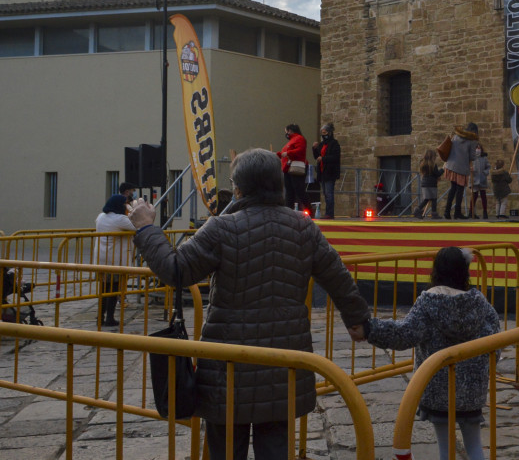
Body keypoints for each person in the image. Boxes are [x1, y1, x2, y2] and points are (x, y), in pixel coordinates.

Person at [129, 148, 370, 460]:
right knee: (275, 447)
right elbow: (338, 277)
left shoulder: (222, 228)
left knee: (226, 449)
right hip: (284, 364)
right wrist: (357, 319)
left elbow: (176, 269)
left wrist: (147, 227)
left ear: (239, 188)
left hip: (227, 367)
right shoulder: (304, 228)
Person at [360, 247, 499, 460]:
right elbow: (495, 344)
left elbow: (404, 334)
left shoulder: (428, 302)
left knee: (446, 450)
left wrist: (371, 329)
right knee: (474, 447)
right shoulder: (481, 303)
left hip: (438, 391)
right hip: (472, 391)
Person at [95, 194, 136, 327]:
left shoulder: (101, 217)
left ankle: (100, 317)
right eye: (125, 204)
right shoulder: (120, 219)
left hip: (102, 259)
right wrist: (132, 209)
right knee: (113, 290)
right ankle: (110, 318)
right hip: (114, 260)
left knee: (104, 290)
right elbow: (137, 225)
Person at [443, 123, 479, 220]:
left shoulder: (456, 136)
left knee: (453, 189)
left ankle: (447, 212)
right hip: (461, 167)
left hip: (451, 165)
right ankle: (457, 213)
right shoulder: (472, 140)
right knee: (459, 190)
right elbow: (472, 157)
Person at [313, 123, 341, 219]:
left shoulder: (334, 144)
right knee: (325, 193)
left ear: (329, 133)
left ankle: (329, 213)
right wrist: (314, 149)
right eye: (322, 133)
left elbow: (335, 157)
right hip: (322, 172)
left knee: (329, 193)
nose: (323, 135)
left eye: (324, 133)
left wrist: (323, 159)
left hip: (330, 172)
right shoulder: (322, 144)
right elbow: (317, 156)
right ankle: (328, 213)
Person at [278, 123, 308, 211]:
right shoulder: (292, 140)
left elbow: (300, 150)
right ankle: (288, 209)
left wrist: (288, 153)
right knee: (289, 191)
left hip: (294, 167)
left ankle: (307, 208)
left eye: (286, 131)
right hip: (288, 168)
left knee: (299, 189)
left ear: (290, 131)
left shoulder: (299, 139)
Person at [415, 149, 444, 219]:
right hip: (431, 184)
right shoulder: (433, 165)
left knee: (427, 199)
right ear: (432, 157)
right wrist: (443, 169)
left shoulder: (423, 164)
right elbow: (437, 174)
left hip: (425, 184)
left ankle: (419, 210)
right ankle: (431, 213)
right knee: (433, 199)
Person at [469, 144, 490, 219]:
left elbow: (488, 167)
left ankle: (485, 212)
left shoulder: (484, 158)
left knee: (483, 196)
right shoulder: (471, 158)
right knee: (474, 196)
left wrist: (485, 172)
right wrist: (470, 170)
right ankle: (471, 212)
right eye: (476, 148)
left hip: (482, 179)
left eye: (479, 148)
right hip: (474, 179)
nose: (478, 149)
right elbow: (468, 166)